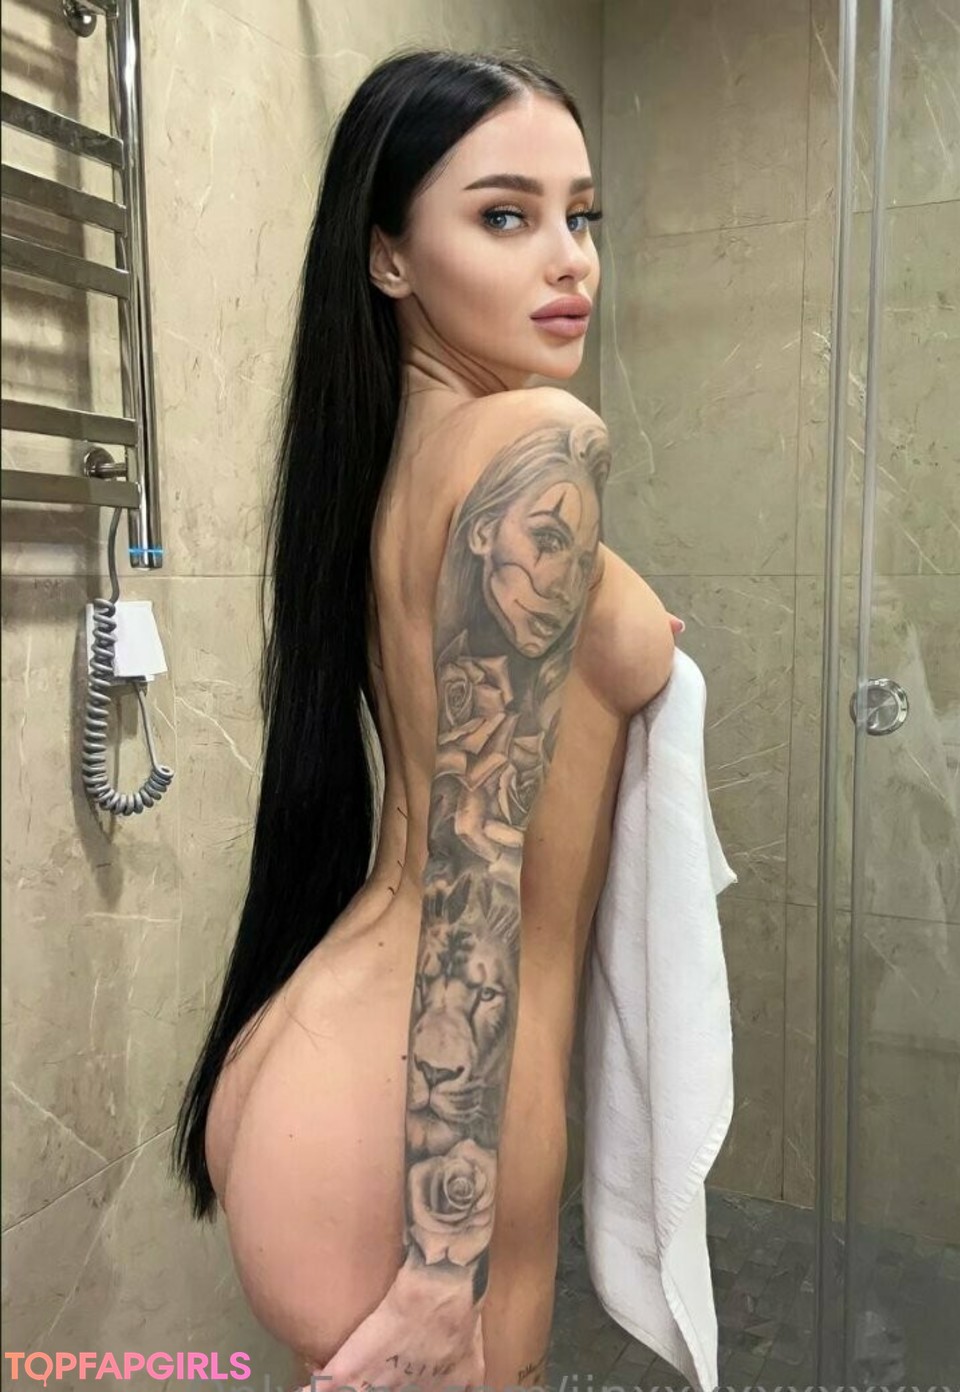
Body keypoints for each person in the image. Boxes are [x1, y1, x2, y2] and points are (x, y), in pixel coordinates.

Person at [172, 46, 681, 1392]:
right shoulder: (539, 444)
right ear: (389, 255)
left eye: (582, 216)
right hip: (422, 1118)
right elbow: (477, 873)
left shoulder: (397, 460)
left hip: (320, 1043)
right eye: (505, 216)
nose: (569, 260)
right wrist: (443, 1267)